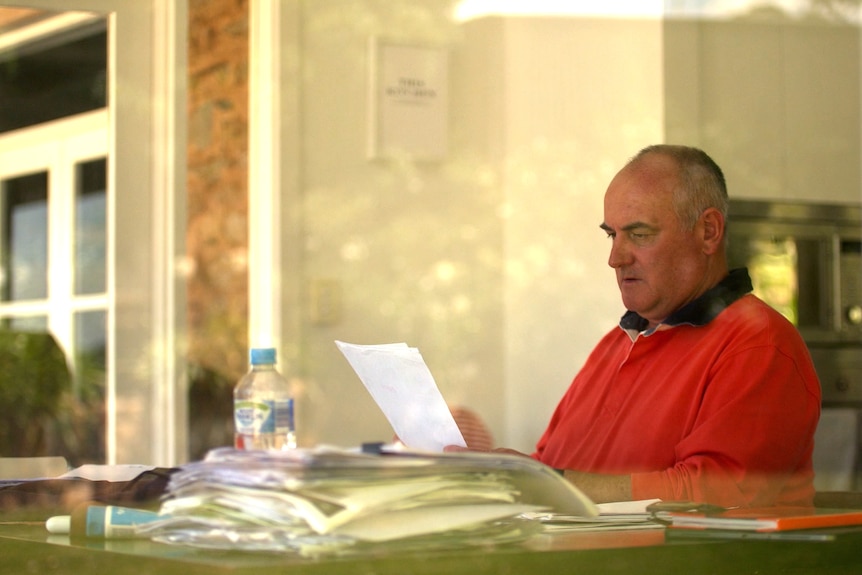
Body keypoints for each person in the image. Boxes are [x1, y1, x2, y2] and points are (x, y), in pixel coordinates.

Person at [447, 144, 821, 508]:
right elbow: (551, 467)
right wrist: (492, 476)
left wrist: (547, 484)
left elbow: (715, 494)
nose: (615, 258)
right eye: (613, 235)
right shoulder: (617, 344)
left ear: (708, 231)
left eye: (639, 235)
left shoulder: (758, 346)